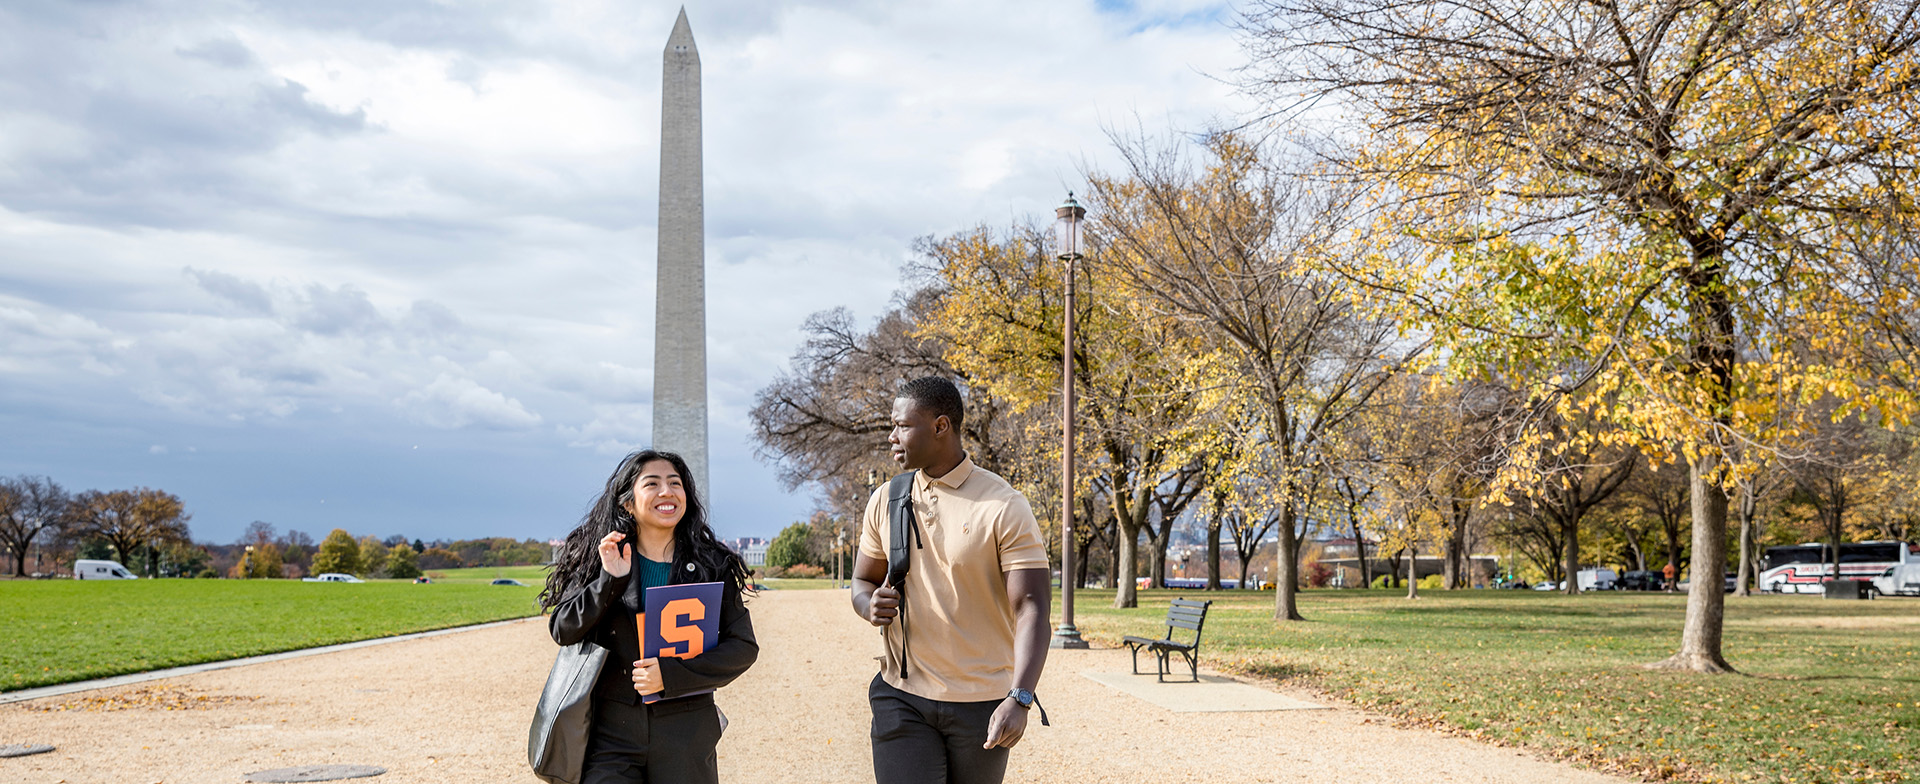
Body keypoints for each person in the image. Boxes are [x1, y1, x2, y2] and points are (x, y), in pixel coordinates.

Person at [851, 377, 1052, 784]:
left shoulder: (1004, 505)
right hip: (900, 694)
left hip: (981, 703)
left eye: (903, 426)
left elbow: (1032, 607)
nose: (892, 437)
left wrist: (1021, 698)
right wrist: (867, 605)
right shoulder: (885, 499)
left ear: (941, 427)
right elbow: (861, 581)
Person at [541, 449, 757, 784]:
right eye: (652, 484)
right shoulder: (605, 558)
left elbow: (742, 646)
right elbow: (563, 629)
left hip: (686, 732)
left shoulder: (713, 565)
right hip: (611, 735)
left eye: (675, 483)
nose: (667, 492)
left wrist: (671, 676)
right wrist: (609, 581)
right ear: (628, 503)